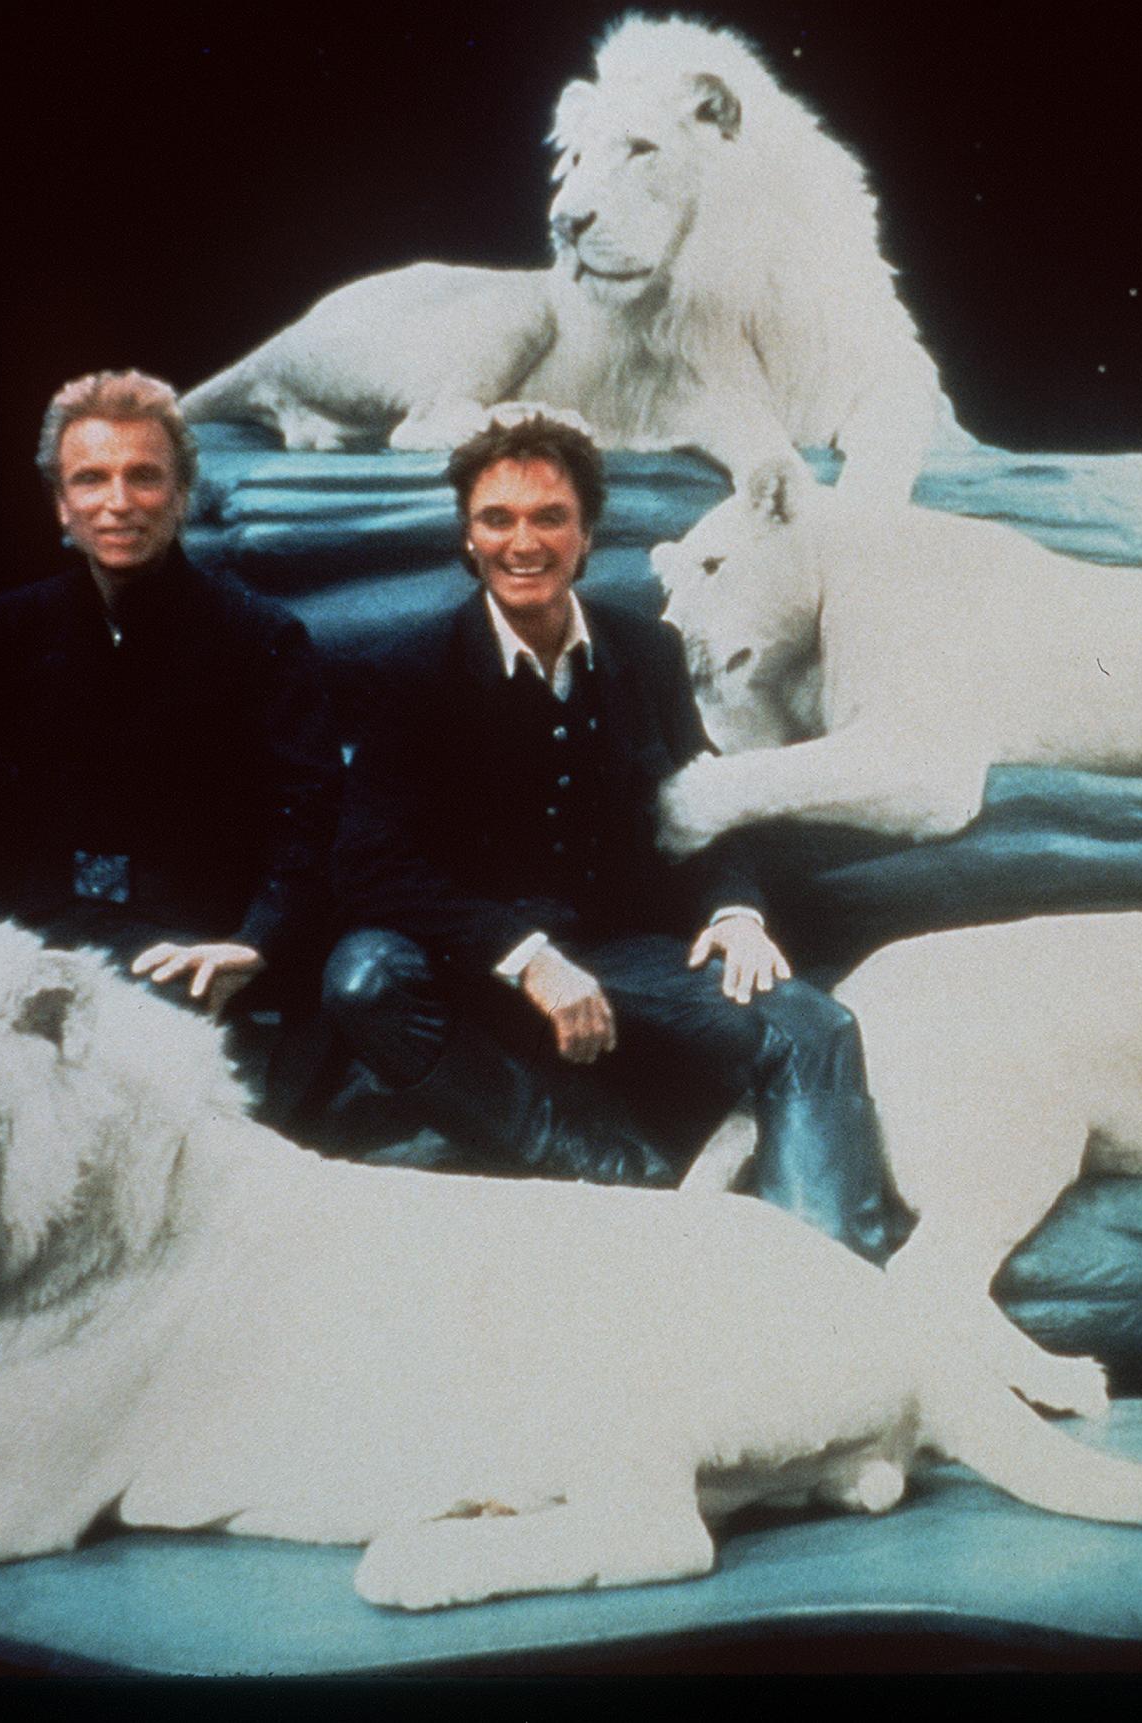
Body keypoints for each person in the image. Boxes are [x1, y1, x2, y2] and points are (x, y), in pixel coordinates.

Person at [319, 412, 908, 1262]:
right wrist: (528, 957)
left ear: (587, 532)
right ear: (467, 536)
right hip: (462, 972)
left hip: (620, 957)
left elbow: (695, 803)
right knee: (363, 977)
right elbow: (369, 864)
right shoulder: (410, 667)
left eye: (548, 517)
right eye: (497, 519)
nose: (523, 542)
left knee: (812, 1030)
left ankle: (820, 1282)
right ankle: (613, 1167)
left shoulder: (645, 651)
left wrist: (735, 908)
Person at [0, 370, 341, 1111]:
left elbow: (309, 817)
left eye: (144, 477)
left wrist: (258, 940)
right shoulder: (0, 632)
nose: (118, 502)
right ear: (61, 502)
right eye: (91, 479)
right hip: (32, 937)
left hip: (193, 948)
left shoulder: (261, 637)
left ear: (181, 496)